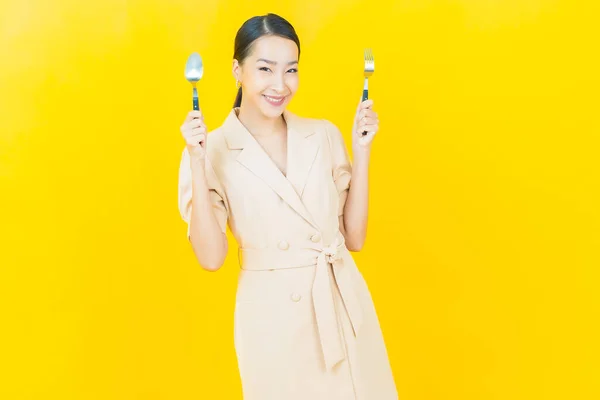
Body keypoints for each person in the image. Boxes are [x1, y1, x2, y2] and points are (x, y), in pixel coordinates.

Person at [177, 13, 397, 400]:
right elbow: (211, 258)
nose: (280, 85)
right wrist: (196, 160)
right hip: (272, 320)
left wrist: (361, 150)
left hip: (341, 302)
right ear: (237, 70)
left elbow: (355, 237)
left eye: (291, 70)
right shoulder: (212, 149)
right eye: (265, 69)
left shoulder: (323, 134)